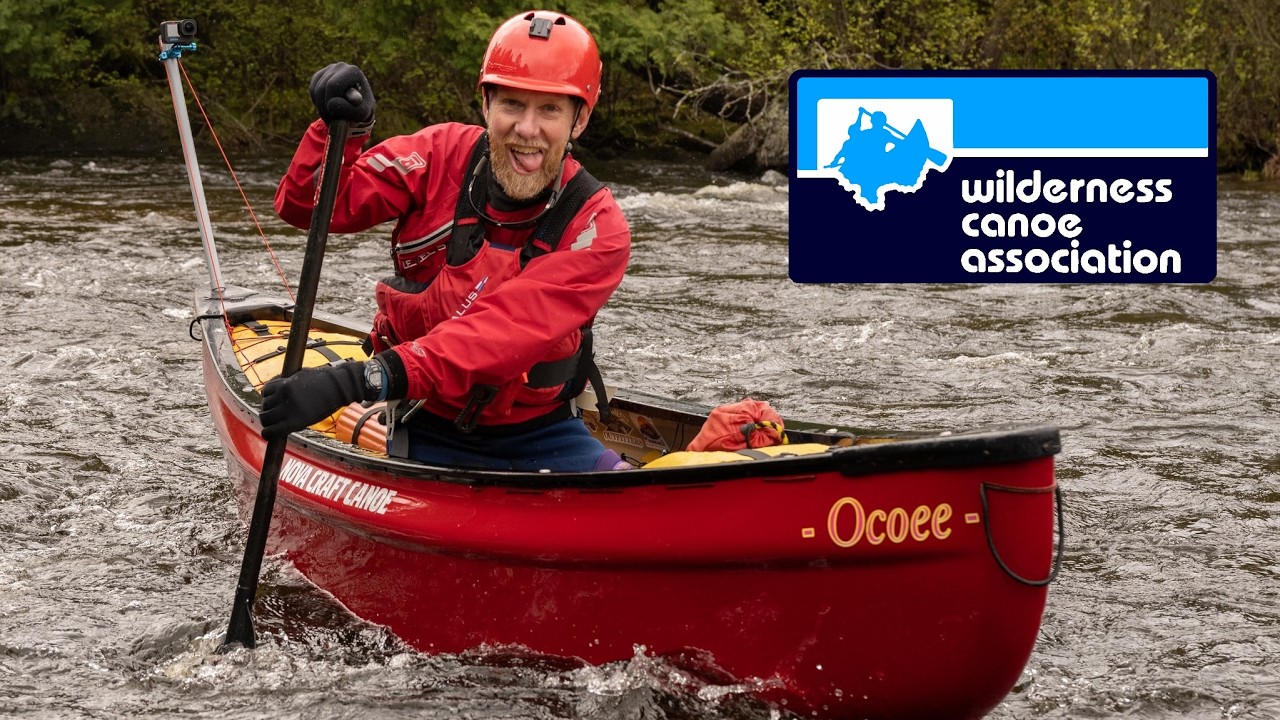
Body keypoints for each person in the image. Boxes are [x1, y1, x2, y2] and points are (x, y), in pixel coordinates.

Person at [261, 10, 631, 473]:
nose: (527, 129)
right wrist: (342, 133)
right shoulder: (436, 157)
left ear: (579, 121)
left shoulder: (597, 226)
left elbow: (500, 334)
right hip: (423, 420)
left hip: (542, 431)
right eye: (512, 104)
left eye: (550, 109)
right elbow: (307, 207)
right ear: (486, 105)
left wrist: (357, 381)